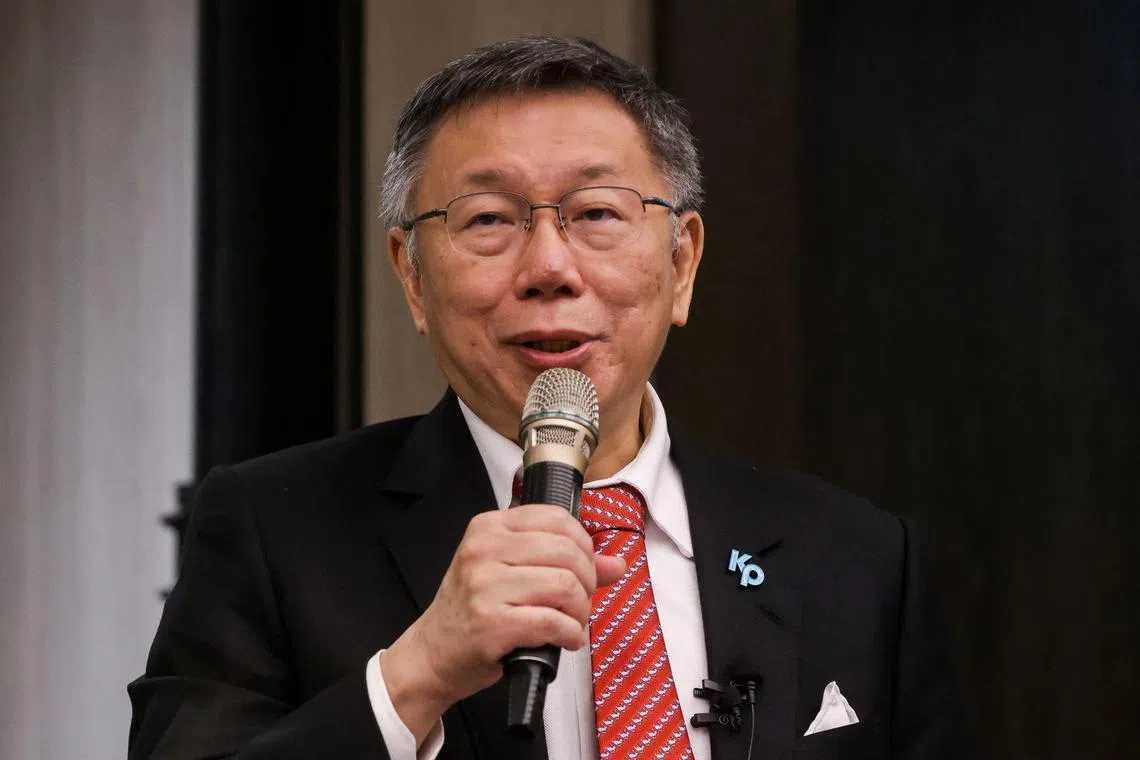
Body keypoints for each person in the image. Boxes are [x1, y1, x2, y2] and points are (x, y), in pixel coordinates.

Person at [128, 36, 968, 760]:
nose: (549, 268)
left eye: (596, 213)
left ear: (682, 262)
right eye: (488, 220)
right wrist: (417, 675)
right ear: (412, 277)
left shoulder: (858, 559)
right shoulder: (271, 531)